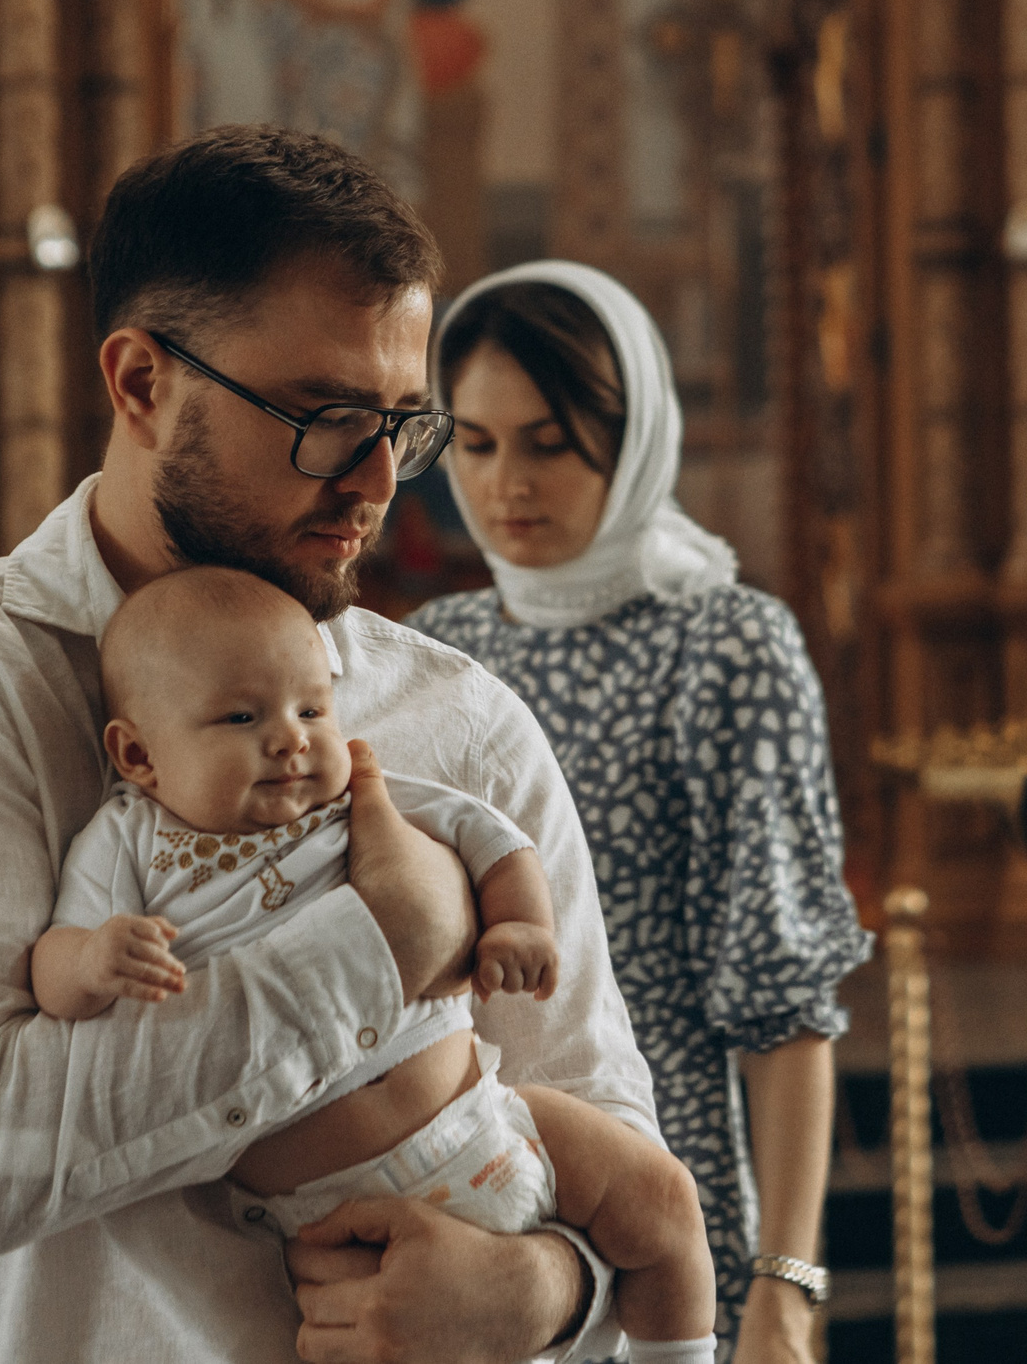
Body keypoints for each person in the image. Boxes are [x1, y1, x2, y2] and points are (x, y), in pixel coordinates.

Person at [0, 126, 657, 1363]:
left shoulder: (463, 720)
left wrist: (542, 1294)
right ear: (141, 382)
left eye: (402, 425)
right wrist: (383, 944)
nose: (377, 483)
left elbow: (606, 1139)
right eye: (321, 418)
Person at [35, 568, 716, 1363]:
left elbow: (492, 835)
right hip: (339, 1219)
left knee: (664, 1197)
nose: (291, 737)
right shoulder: (130, 843)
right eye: (243, 716)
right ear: (139, 753)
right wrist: (92, 957)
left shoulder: (360, 791)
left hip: (492, 1120)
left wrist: (520, 923)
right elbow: (53, 968)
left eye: (312, 708)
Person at [410, 263, 872, 1361]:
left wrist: (783, 1287)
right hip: (452, 1189)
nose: (504, 482)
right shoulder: (436, 648)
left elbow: (783, 1005)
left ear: (632, 440)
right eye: (473, 444)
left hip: (661, 1205)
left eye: (549, 442)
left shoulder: (725, 647)